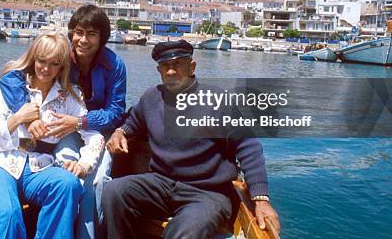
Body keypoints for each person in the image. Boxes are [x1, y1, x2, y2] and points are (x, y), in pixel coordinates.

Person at [102, 40, 281, 239]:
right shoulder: (151, 97)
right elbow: (132, 122)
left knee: (186, 230)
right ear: (158, 70)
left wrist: (261, 199)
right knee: (113, 192)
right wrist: (120, 132)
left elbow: (249, 147)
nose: (171, 71)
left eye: (177, 64)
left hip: (207, 192)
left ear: (192, 66)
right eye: (165, 66)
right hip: (160, 183)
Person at [0, 4, 127, 239]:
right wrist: (27, 114)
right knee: (64, 169)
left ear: (102, 38)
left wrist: (80, 122)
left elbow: (116, 112)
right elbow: (11, 76)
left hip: (96, 130)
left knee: (95, 182)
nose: (83, 40)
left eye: (91, 34)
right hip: (64, 130)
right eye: (79, 32)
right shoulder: (59, 54)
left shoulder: (115, 66)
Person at [0, 32, 105, 239]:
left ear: (62, 66)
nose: (46, 69)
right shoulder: (11, 88)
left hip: (39, 168)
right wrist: (17, 118)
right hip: (0, 164)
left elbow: (94, 136)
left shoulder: (70, 97)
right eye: (41, 61)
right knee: (7, 213)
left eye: (54, 64)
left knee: (68, 185)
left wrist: (84, 164)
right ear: (33, 58)